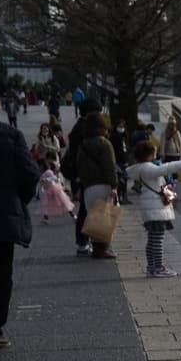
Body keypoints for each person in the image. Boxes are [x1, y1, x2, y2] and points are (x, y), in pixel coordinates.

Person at [0, 75, 39, 350]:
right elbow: (29, 175)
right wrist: (17, 200)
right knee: (1, 274)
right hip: (1, 212)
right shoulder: (10, 135)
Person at [128, 140, 181, 277]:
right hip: (155, 209)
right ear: (148, 154)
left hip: (151, 208)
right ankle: (158, 268)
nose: (156, 154)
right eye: (154, 151)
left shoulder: (142, 168)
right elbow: (165, 168)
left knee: (152, 240)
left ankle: (151, 268)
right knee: (157, 240)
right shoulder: (147, 168)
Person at [74, 110, 119, 259]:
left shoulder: (82, 145)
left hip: (88, 187)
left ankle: (96, 249)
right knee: (105, 219)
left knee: (94, 218)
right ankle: (102, 250)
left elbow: (79, 166)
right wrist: (114, 185)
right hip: (103, 184)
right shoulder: (104, 143)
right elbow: (110, 167)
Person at [62, 98, 101, 255]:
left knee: (86, 209)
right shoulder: (82, 130)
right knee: (86, 210)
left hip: (84, 175)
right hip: (85, 175)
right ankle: (83, 242)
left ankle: (84, 241)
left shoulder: (81, 127)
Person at [35, 157, 74, 225]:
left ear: (42, 166)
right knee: (45, 203)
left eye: (39, 166)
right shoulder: (42, 173)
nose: (38, 168)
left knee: (63, 202)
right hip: (46, 191)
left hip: (53, 189)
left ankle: (73, 215)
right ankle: (45, 218)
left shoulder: (48, 171)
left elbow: (54, 177)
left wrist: (46, 180)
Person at [111, 118, 129, 203]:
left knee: (124, 179)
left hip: (123, 161)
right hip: (118, 161)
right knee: (120, 179)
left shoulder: (123, 137)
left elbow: (124, 150)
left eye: (123, 126)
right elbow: (118, 150)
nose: (121, 128)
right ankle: (120, 197)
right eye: (120, 126)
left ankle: (123, 196)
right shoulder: (115, 137)